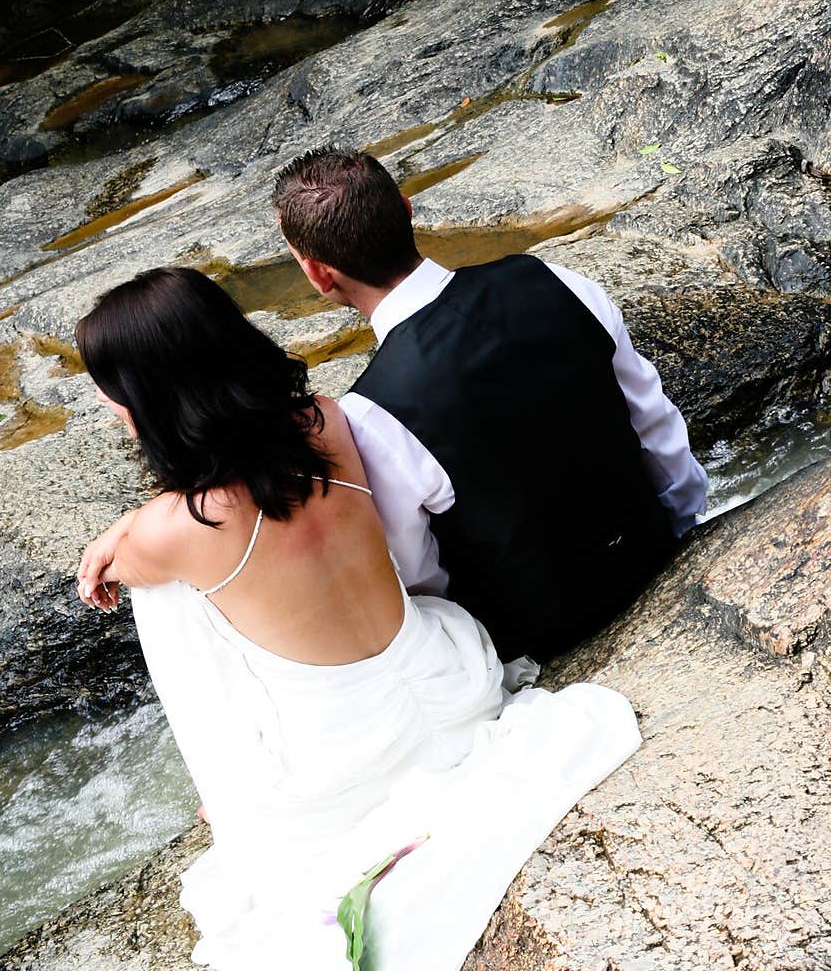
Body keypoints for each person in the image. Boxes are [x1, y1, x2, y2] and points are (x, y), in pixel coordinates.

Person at [75, 265, 641, 971]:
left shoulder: (165, 536)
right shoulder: (326, 421)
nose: (107, 408)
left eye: (111, 392)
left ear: (150, 395)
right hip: (453, 681)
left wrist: (126, 535)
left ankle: (224, 794)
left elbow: (176, 582)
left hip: (345, 765)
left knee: (164, 610)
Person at [273, 146, 708, 663]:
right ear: (408, 211)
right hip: (654, 550)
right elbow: (655, 424)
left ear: (319, 275)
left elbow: (422, 578)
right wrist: (685, 530)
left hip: (542, 636)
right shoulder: (552, 278)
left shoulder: (372, 414)